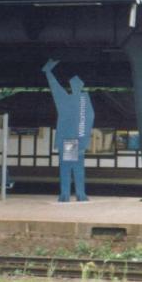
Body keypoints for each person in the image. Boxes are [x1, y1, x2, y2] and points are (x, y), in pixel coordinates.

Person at [42, 59, 94, 202]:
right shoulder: (82, 100)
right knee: (75, 169)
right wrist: (48, 73)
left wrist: (48, 72)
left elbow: (55, 88)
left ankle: (69, 194)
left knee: (69, 169)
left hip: (69, 139)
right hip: (74, 140)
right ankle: (76, 194)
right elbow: (88, 118)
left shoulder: (68, 100)